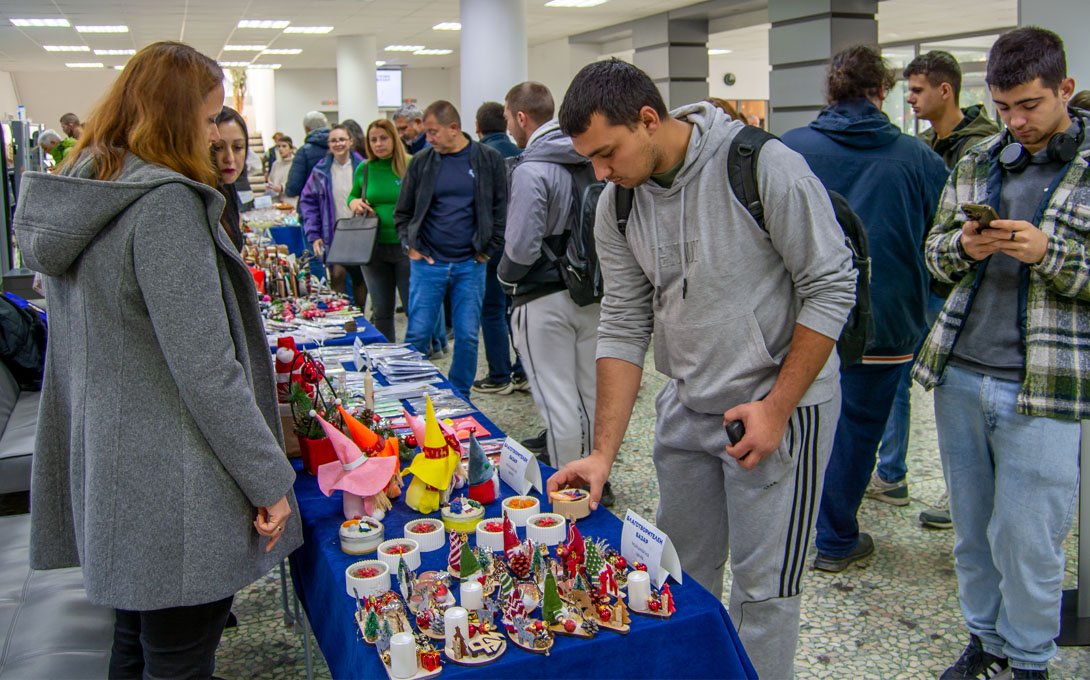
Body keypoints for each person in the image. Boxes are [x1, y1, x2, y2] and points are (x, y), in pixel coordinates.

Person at [550, 59, 856, 679]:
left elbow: (831, 285)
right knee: (678, 575)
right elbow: (624, 322)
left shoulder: (761, 165)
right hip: (690, 406)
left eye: (607, 153)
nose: (601, 173)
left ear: (647, 119)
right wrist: (603, 455)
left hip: (776, 413)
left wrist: (777, 409)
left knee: (763, 591)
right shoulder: (618, 204)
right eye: (592, 161)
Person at [12, 41, 300, 679]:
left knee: (136, 647)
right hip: (175, 485)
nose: (213, 134)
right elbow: (207, 370)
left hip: (114, 476)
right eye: (206, 120)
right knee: (177, 660)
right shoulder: (164, 206)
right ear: (174, 118)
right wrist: (269, 479)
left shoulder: (89, 192)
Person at [913, 27, 1089, 680]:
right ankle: (985, 643)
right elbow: (934, 254)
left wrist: (1051, 254)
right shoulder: (977, 160)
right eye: (1005, 105)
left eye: (1031, 106)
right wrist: (966, 248)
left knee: (1032, 542)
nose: (1016, 121)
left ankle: (1031, 660)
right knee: (973, 537)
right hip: (959, 377)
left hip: (1046, 389)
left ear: (1064, 89)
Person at [780, 45, 947, 573]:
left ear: (830, 91)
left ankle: (794, 525)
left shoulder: (788, 149)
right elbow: (937, 238)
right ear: (883, 91)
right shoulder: (919, 158)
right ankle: (834, 536)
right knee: (860, 430)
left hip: (803, 316)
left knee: (798, 420)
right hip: (887, 318)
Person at [867, 50, 1001, 530]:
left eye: (919, 90)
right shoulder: (922, 147)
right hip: (923, 282)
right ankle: (892, 472)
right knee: (903, 380)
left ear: (947, 90)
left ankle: (963, 490)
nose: (913, 99)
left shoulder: (984, 147)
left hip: (963, 290)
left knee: (960, 390)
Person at [500, 82, 606, 496]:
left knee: (558, 400)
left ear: (522, 118)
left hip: (542, 299)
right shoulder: (589, 158)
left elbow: (522, 246)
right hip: (592, 294)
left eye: (509, 118)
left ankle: (571, 491)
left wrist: (506, 279)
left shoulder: (531, 169)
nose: (509, 126)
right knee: (590, 394)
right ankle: (600, 477)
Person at [394, 100, 507, 397]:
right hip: (427, 263)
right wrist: (410, 247)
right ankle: (411, 392)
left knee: (468, 335)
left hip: (470, 265)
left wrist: (487, 250)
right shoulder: (422, 161)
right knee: (417, 333)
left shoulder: (487, 159)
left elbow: (500, 210)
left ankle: (460, 395)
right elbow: (403, 212)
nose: (427, 138)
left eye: (433, 132)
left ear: (454, 129)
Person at [473, 101, 527, 395]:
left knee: (491, 309)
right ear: (506, 124)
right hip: (520, 242)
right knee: (517, 309)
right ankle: (523, 371)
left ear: (477, 127)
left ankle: (499, 374)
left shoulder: (479, 156)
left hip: (491, 243)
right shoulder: (523, 153)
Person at [348, 118, 411, 342]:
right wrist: (354, 203)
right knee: (382, 309)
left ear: (394, 139)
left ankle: (418, 356)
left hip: (406, 246)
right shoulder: (365, 168)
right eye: (373, 140)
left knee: (412, 307)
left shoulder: (409, 164)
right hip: (372, 247)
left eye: (383, 138)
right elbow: (353, 195)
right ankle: (386, 353)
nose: (378, 144)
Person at [300, 124, 368, 309]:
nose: (338, 144)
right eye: (334, 140)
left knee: (360, 277)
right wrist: (314, 235)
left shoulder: (364, 167)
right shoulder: (320, 171)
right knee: (337, 274)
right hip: (334, 231)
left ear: (350, 142)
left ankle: (360, 316)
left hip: (360, 230)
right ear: (328, 144)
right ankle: (342, 314)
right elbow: (308, 203)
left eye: (342, 139)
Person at [211, 105, 249, 251]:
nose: (229, 158)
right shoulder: (204, 198)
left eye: (238, 147)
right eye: (218, 148)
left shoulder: (228, 188)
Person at [285, 110, 331, 197]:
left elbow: (293, 187)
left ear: (307, 129)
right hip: (333, 203)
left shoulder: (304, 151)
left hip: (309, 204)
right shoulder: (338, 148)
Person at [266, 134, 296, 206]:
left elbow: (296, 183)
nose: (280, 149)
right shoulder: (276, 164)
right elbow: (271, 180)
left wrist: (282, 188)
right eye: (278, 146)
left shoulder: (296, 164)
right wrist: (270, 186)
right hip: (276, 202)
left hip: (291, 202)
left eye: (284, 146)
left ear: (291, 149)